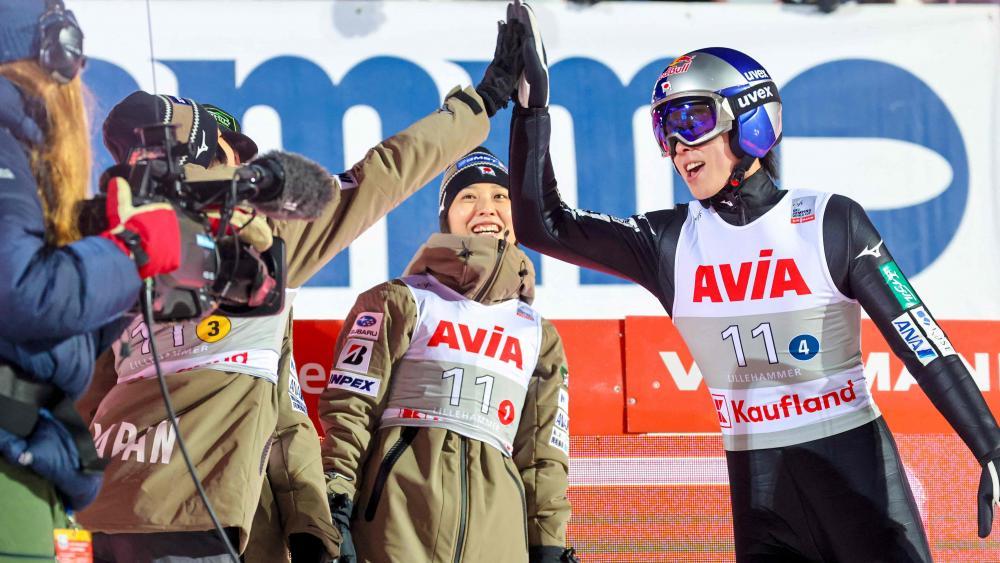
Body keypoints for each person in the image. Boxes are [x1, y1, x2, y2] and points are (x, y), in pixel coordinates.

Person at [505, 7, 1000, 561]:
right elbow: (541, 224)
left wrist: (990, 444)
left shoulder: (828, 222)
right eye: (665, 131)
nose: (678, 147)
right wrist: (531, 110)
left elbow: (920, 338)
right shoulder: (669, 243)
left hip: (860, 486)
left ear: (751, 121)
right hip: (765, 505)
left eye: (691, 122)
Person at [77, 10, 527, 561]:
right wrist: (482, 103)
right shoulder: (266, 238)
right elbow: (383, 173)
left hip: (113, 508)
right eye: (233, 153)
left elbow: (87, 389)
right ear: (206, 154)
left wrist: (311, 522)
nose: (248, 166)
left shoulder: (110, 243)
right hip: (202, 515)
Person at [319, 147, 578, 563]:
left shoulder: (536, 331)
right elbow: (350, 411)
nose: (486, 208)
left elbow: (543, 451)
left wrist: (548, 542)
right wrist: (335, 504)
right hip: (395, 533)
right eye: (468, 197)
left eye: (500, 196)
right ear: (447, 216)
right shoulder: (400, 300)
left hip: (499, 541)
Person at [0, 0, 180, 558]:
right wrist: (129, 251)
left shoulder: (22, 155)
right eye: (74, 67)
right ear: (50, 57)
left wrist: (125, 285)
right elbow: (21, 291)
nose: (82, 87)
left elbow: (47, 337)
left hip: (34, 460)